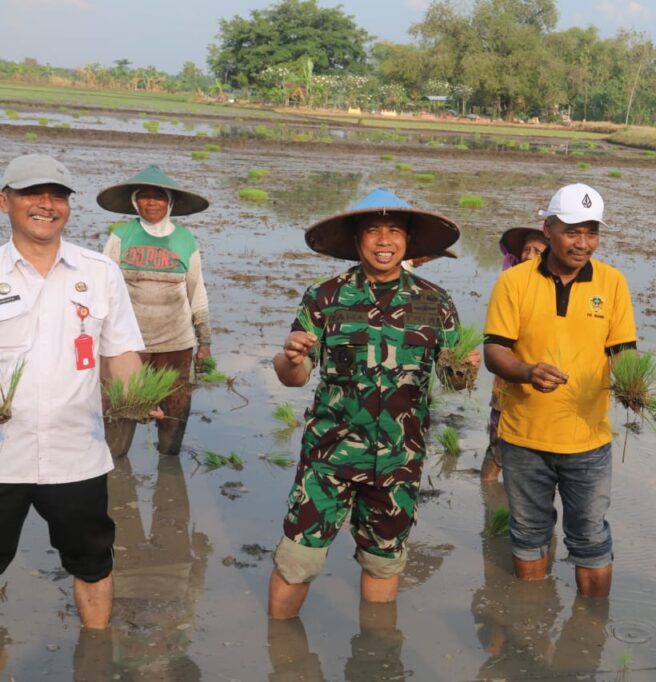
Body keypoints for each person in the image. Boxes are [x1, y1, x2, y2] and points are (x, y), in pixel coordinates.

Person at [267, 187, 481, 617]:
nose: (384, 241)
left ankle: (376, 655)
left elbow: (453, 381)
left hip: (398, 462)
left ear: (407, 241)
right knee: (297, 562)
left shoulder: (435, 302)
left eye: (394, 231)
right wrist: (289, 356)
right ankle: (281, 651)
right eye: (372, 231)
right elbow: (293, 377)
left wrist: (467, 368)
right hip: (329, 460)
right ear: (356, 240)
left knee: (384, 565)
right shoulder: (324, 297)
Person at [0, 154, 155, 629]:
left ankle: (95, 653)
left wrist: (137, 399)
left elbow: (123, 351)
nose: (46, 205)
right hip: (3, 457)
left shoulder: (99, 272)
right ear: (4, 202)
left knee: (93, 562)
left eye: (58, 195)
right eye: (32, 193)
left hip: (77, 454)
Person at [483, 183, 637, 597]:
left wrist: (635, 387)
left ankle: (591, 629)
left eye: (591, 233)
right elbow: (495, 351)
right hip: (523, 438)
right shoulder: (514, 282)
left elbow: (623, 351)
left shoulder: (613, 283)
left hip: (587, 440)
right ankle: (531, 623)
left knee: (590, 539)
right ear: (547, 228)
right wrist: (527, 371)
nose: (583, 243)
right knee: (529, 533)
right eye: (572, 231)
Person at [98, 166, 212, 456]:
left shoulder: (185, 241)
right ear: (135, 202)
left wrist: (205, 342)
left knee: (174, 412)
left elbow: (196, 291)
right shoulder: (121, 237)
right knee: (120, 410)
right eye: (144, 197)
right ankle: (116, 468)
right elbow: (102, 288)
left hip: (175, 343)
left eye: (158, 197)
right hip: (127, 345)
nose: (151, 203)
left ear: (170, 202)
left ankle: (169, 463)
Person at [481, 226, 549, 482]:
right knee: (498, 443)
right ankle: (489, 498)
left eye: (538, 251)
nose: (530, 255)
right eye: (527, 249)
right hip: (507, 384)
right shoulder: (509, 286)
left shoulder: (555, 291)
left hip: (543, 386)